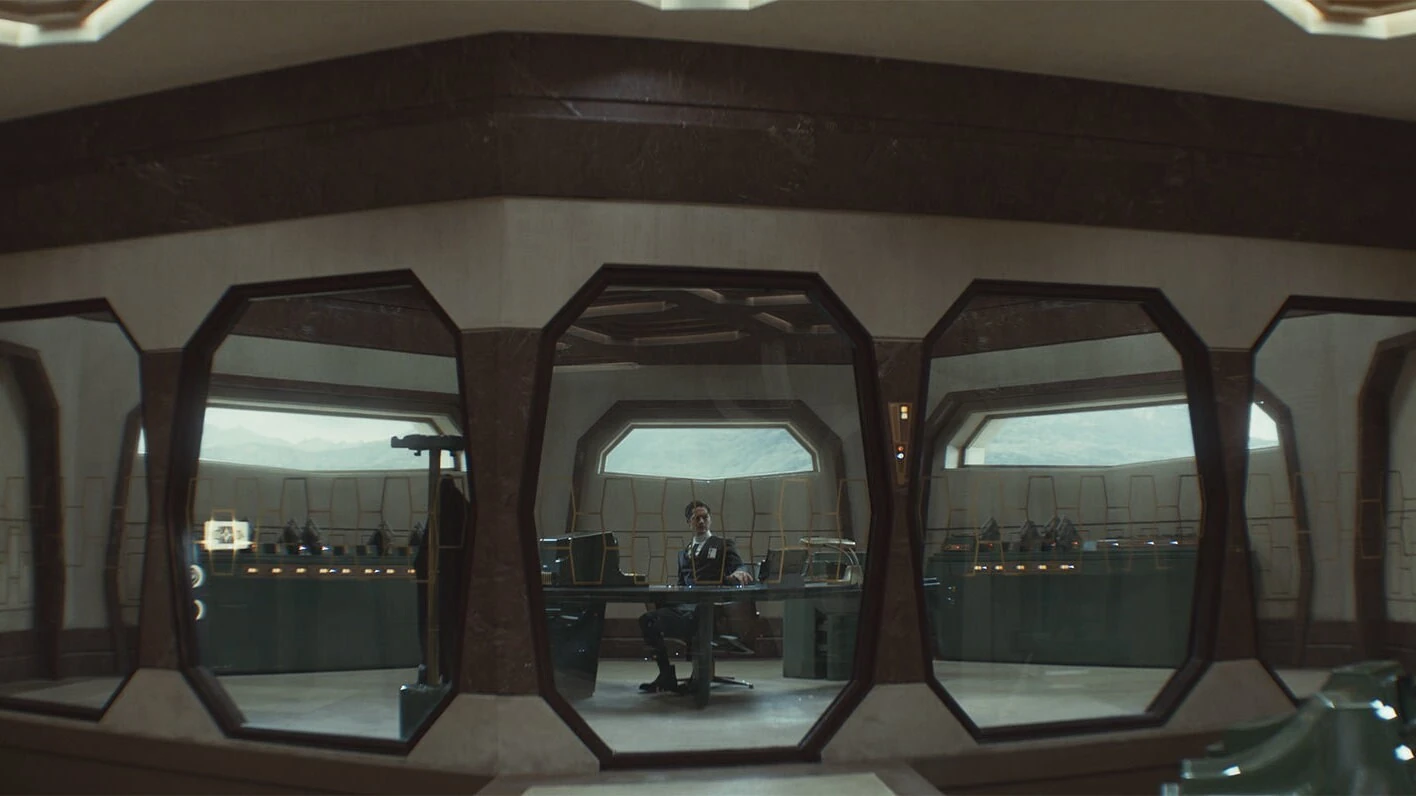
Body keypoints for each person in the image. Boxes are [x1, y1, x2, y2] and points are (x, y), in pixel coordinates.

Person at [638, 500, 755, 694]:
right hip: (685, 609)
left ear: (710, 520)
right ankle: (666, 675)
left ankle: (698, 678)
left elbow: (739, 567)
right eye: (696, 518)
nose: (701, 521)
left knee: (700, 615)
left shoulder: (723, 544)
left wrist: (739, 572)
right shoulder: (683, 553)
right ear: (689, 523)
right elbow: (681, 585)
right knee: (647, 620)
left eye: (705, 517)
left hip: (711, 610)